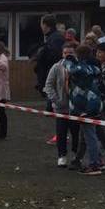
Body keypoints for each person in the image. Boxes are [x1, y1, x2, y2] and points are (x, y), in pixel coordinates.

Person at [66, 43, 105, 175]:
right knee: (90, 134)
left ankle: (94, 165)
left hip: (86, 107)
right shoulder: (94, 68)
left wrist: (69, 59)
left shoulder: (80, 68)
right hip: (93, 104)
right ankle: (99, 160)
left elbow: (70, 68)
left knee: (90, 136)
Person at [44, 41, 79, 167]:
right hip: (61, 107)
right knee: (61, 132)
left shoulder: (80, 67)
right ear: (62, 54)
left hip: (76, 107)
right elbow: (48, 85)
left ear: (75, 53)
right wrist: (56, 100)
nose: (67, 55)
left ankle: (76, 155)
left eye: (70, 53)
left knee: (76, 132)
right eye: (65, 53)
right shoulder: (56, 67)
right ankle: (62, 156)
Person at [33, 15, 66, 145]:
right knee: (55, 108)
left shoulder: (56, 38)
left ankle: (61, 135)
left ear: (46, 25)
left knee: (59, 108)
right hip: (51, 77)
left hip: (57, 79)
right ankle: (60, 134)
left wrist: (42, 55)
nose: (41, 27)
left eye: (42, 24)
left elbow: (54, 57)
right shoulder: (51, 38)